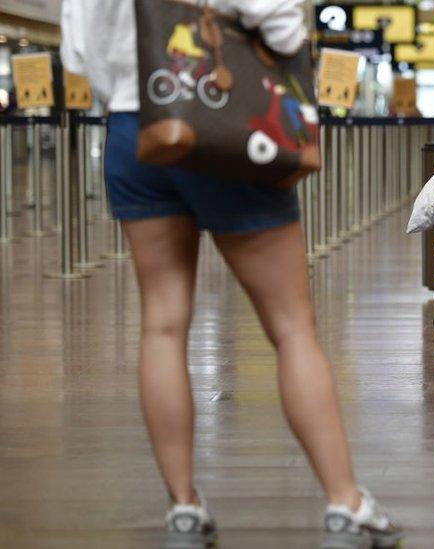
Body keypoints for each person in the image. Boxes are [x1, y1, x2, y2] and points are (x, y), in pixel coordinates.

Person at [60, 2, 403, 548]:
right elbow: (282, 24)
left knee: (163, 324)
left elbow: (78, 55)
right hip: (223, 121)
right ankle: (347, 505)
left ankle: (184, 509)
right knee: (292, 326)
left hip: (134, 129)